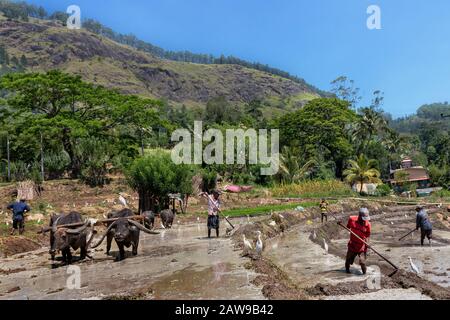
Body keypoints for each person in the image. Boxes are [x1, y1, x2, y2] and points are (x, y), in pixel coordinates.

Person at [344, 208, 371, 275]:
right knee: (348, 260)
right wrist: (340, 224)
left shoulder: (368, 224)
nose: (365, 220)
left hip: (361, 246)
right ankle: (347, 272)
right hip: (352, 244)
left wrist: (367, 243)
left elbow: (367, 235)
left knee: (362, 262)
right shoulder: (352, 219)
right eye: (363, 218)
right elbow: (348, 227)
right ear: (359, 216)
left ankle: (365, 274)